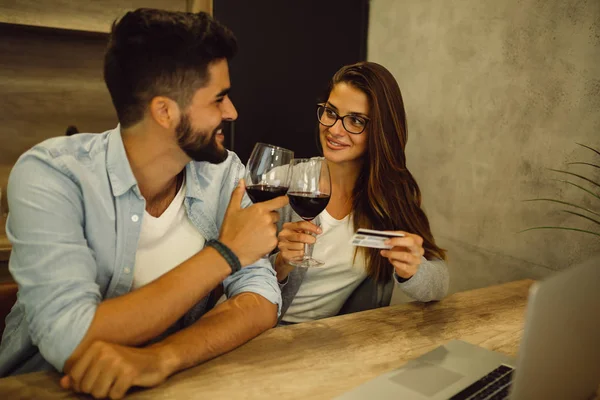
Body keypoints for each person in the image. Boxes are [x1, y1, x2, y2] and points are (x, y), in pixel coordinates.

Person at [0, 9, 287, 399]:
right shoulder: (52, 176)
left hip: (174, 385)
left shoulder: (224, 174)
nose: (231, 112)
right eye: (218, 98)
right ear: (165, 111)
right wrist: (227, 253)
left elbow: (261, 299)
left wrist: (161, 358)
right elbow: (72, 339)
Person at [272, 62, 449, 323]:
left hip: (336, 343)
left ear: (380, 132)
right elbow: (232, 281)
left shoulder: (389, 197)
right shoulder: (281, 183)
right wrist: (280, 265)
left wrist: (414, 269)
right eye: (330, 112)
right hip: (265, 334)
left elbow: (440, 283)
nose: (334, 129)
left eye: (355, 120)